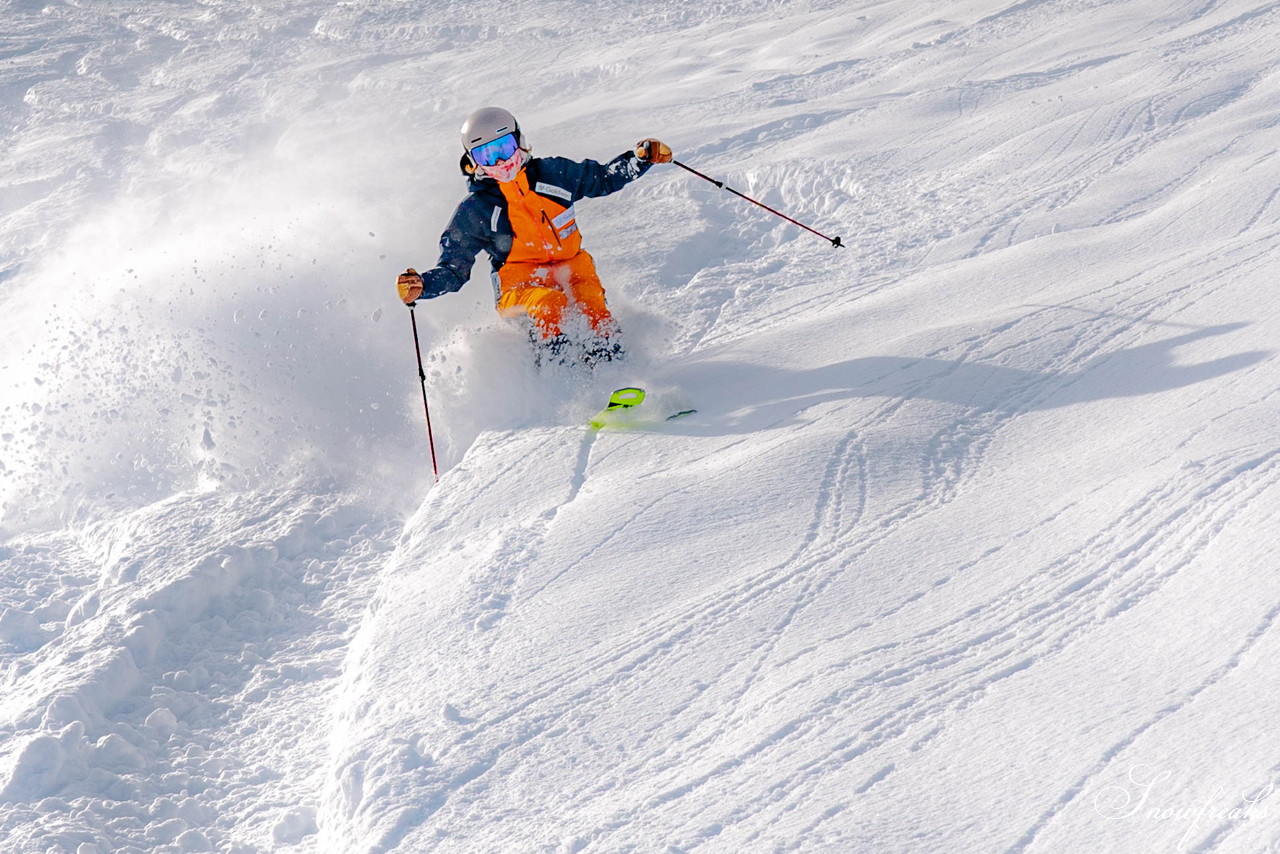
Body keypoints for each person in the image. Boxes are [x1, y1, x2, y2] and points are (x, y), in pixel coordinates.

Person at [396, 106, 672, 366]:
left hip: (574, 269)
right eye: (487, 156)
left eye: (504, 148)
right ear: (473, 161)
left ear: (520, 141)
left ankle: (616, 372)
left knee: (591, 302)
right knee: (548, 304)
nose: (501, 161)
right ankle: (561, 377)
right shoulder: (476, 209)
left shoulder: (554, 175)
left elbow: (602, 178)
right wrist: (423, 285)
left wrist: (640, 160)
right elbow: (454, 269)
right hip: (519, 287)